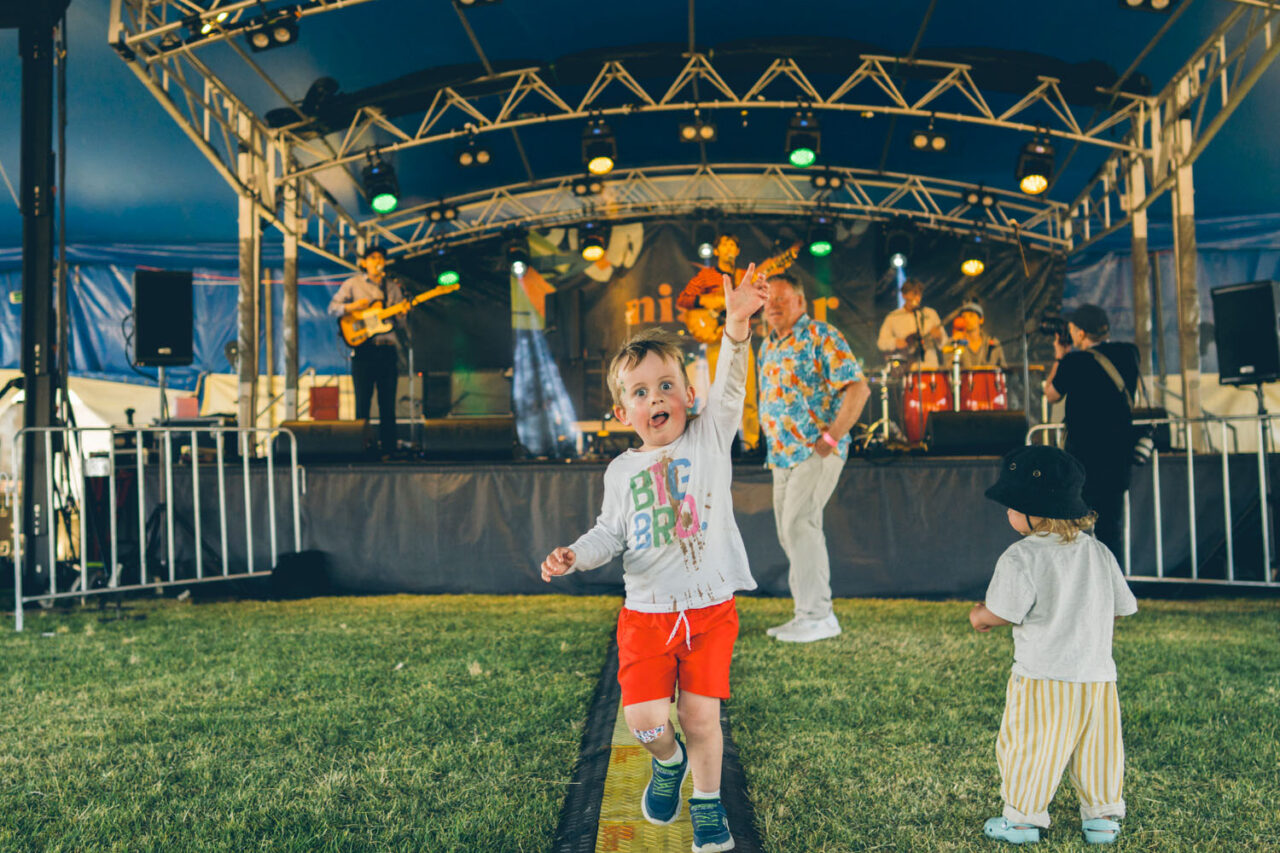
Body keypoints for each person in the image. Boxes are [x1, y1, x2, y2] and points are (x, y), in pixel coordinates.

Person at [541, 263, 769, 853]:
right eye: (640, 393)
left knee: (701, 720)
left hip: (710, 610)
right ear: (623, 415)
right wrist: (574, 555)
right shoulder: (621, 471)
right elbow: (608, 534)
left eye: (666, 385)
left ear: (689, 395)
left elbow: (733, 381)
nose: (656, 398)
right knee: (647, 722)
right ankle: (668, 766)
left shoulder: (710, 435)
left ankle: (708, 807)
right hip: (645, 614)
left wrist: (737, 324)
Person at [970, 444, 1137, 846]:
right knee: (1098, 750)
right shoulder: (1098, 552)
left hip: (1043, 677)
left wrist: (980, 616)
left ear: (1032, 511)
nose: (1007, 513)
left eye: (1010, 505)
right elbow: (1118, 608)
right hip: (1097, 679)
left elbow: (1003, 611)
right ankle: (1102, 819)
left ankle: (1024, 820)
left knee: (1030, 745)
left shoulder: (1020, 557)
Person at [758, 273, 870, 643]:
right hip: (782, 456)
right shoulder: (767, 347)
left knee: (800, 524)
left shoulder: (821, 335)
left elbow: (859, 387)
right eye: (768, 299)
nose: (772, 305)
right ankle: (806, 612)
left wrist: (832, 436)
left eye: (782, 299)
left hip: (815, 450)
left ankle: (819, 616)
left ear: (802, 303)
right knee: (790, 532)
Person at [1043, 304, 1140, 560]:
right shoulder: (1129, 353)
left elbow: (1051, 393)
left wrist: (1060, 355)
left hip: (1084, 459)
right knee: (1112, 530)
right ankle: (1114, 588)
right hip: (1118, 457)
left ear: (1080, 333)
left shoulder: (1075, 361)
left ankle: (1084, 589)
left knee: (1077, 529)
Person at [679, 233, 761, 450]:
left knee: (749, 392)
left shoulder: (745, 277)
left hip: (744, 339)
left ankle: (752, 444)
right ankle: (725, 444)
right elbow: (684, 299)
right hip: (718, 339)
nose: (728, 248)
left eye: (732, 244)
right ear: (716, 251)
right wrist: (707, 301)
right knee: (721, 393)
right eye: (724, 244)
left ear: (737, 251)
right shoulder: (706, 277)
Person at [328, 247, 405, 455]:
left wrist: (402, 313)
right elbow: (333, 308)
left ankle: (389, 449)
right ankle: (361, 448)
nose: (377, 261)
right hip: (363, 351)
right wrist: (353, 307)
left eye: (381, 257)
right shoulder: (353, 284)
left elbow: (401, 323)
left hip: (387, 350)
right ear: (364, 262)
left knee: (387, 403)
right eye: (373, 258)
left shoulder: (392, 288)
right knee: (362, 402)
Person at [876, 278, 946, 367]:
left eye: (919, 294)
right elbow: (881, 343)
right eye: (914, 294)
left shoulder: (930, 314)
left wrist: (939, 337)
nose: (917, 298)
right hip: (906, 367)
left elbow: (945, 343)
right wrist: (895, 342)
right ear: (904, 295)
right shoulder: (893, 317)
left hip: (930, 367)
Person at [945, 302, 1007, 368]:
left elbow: (1003, 370)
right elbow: (948, 368)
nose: (967, 319)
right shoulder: (952, 342)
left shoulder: (993, 343)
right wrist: (957, 345)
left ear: (981, 319)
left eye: (971, 315)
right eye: (964, 316)